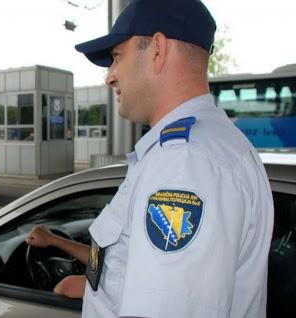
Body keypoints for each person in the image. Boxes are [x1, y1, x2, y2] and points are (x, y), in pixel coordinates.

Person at [35, 0, 274, 317]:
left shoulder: (184, 165)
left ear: (158, 50)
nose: (110, 77)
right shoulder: (206, 148)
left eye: (117, 57)